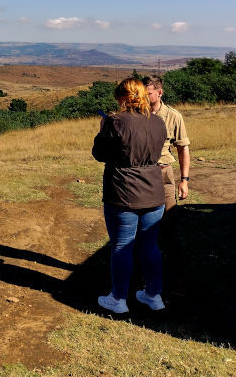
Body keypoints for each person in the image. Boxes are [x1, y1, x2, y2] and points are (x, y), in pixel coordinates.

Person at [92, 78, 167, 313]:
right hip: (154, 192)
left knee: (122, 245)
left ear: (123, 98)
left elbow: (100, 153)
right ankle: (154, 295)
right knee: (150, 246)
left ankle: (118, 299)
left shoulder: (116, 122)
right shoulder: (157, 122)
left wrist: (103, 129)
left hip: (123, 193)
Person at [142, 75, 190, 211]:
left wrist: (184, 180)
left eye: (148, 94)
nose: (144, 98)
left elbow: (183, 149)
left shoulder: (174, 116)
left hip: (163, 172)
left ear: (160, 93)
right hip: (140, 174)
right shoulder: (135, 115)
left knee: (169, 216)